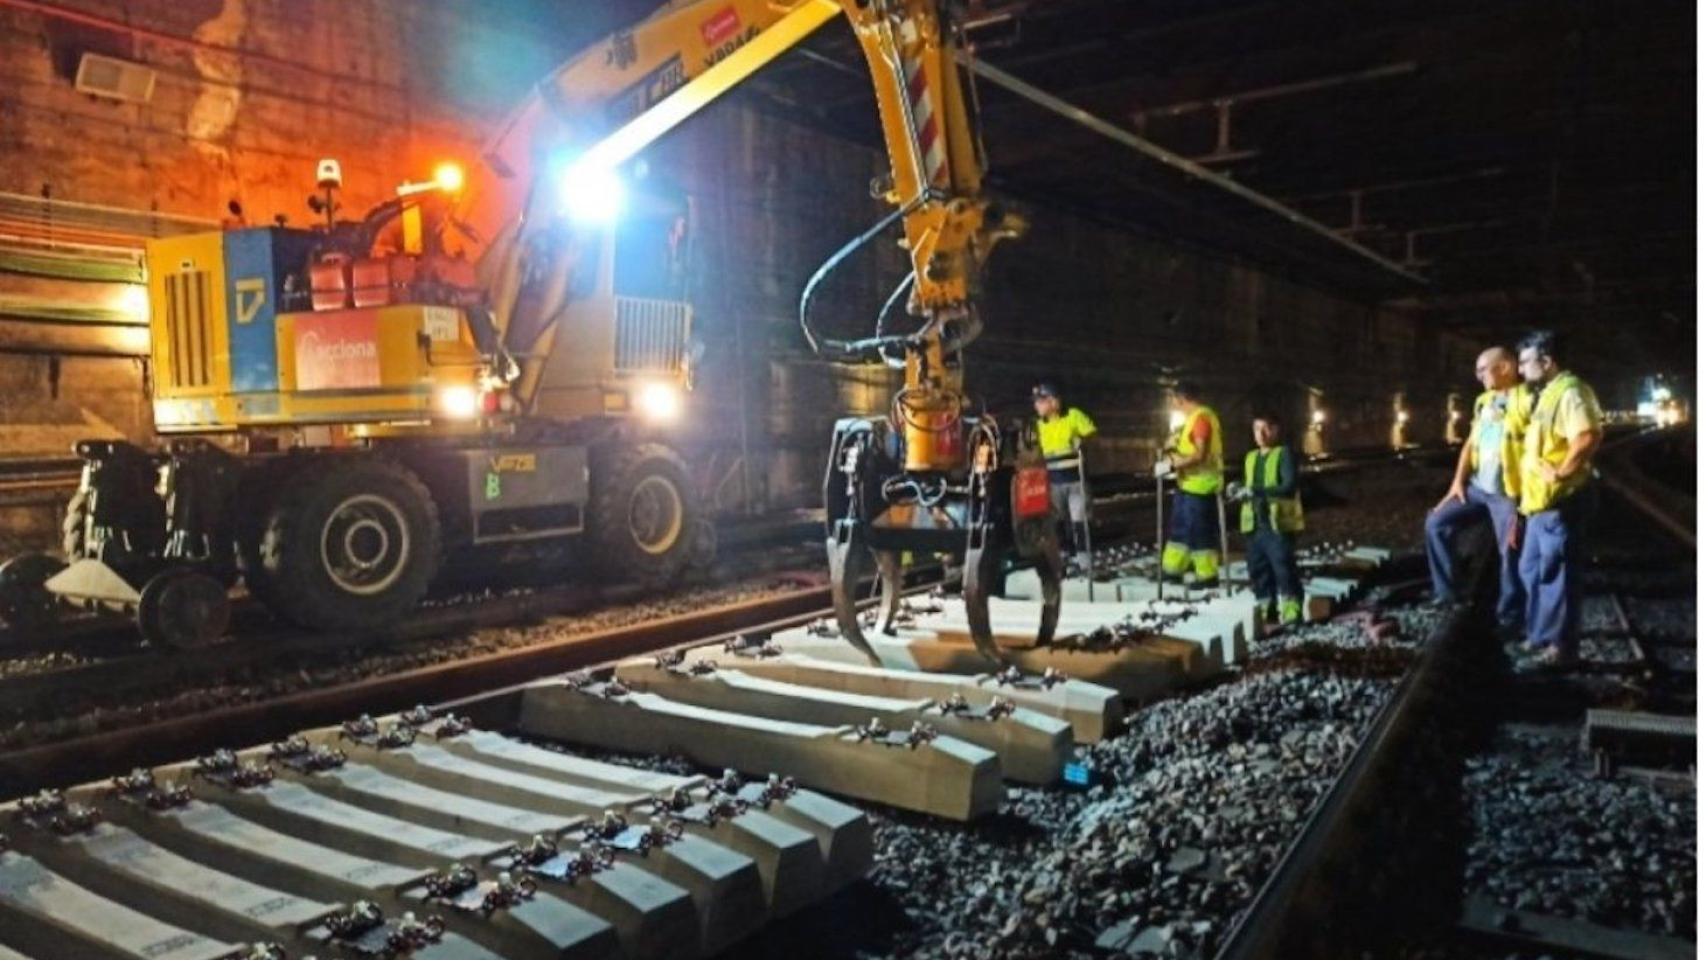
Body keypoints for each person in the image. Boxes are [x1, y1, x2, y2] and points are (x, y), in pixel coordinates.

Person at [1424, 346, 1530, 635]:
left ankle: (1510, 615)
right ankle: (1448, 593)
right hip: (1478, 488)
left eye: (1484, 369)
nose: (1478, 375)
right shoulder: (1484, 401)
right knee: (1436, 523)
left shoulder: (1526, 401)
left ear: (1506, 367)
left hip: (1508, 494)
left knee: (1510, 550)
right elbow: (1471, 443)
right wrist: (1458, 481)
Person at [1514, 329, 1603, 667]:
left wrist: (1562, 473)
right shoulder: (1549, 393)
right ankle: (1539, 636)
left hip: (1562, 501)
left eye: (1525, 361)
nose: (1520, 369)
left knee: (1557, 575)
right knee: (1532, 570)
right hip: (1541, 504)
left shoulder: (1571, 391)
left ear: (1547, 361)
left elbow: (1587, 435)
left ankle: (1559, 649)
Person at [1228, 412, 1304, 626]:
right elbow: (1249, 483)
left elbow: (1288, 486)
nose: (1260, 434)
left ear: (1276, 430)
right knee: (1258, 568)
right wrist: (1238, 488)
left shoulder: (1284, 454)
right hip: (1254, 524)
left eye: (1266, 428)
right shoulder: (1251, 457)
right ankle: (1266, 608)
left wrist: (1255, 491)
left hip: (1277, 524)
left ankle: (1292, 609)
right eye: (1256, 429)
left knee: (1283, 567)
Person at [1155, 381, 1224, 586]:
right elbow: (1184, 448)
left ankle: (1207, 575)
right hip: (1187, 484)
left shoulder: (1201, 419)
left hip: (1202, 485)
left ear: (1180, 399)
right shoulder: (1189, 420)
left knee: (1200, 532)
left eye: (1174, 400)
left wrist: (1172, 465)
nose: (1173, 405)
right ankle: (1173, 569)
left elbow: (1200, 454)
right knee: (1180, 528)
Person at [1033, 382, 1098, 571]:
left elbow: (1092, 435)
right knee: (1056, 522)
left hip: (1076, 480)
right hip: (1053, 482)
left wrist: (1082, 441)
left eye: (1040, 401)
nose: (1037, 406)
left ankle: (1084, 562)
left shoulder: (1073, 416)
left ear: (1053, 402)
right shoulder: (1038, 426)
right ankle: (1062, 557)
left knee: (1080, 520)